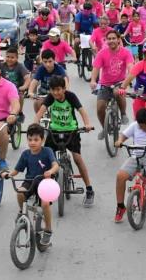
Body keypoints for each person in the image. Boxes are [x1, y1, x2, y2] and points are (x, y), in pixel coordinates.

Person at [34, 75, 96, 207]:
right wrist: (35, 124)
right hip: (54, 131)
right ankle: (40, 188)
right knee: (45, 159)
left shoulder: (71, 96)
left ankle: (89, 189)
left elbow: (82, 111)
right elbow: (40, 112)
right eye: (53, 90)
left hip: (71, 131)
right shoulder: (50, 97)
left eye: (58, 89)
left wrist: (87, 124)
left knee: (77, 159)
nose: (55, 93)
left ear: (63, 89)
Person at [2, 123, 57, 246]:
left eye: (36, 140)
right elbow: (16, 171)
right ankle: (22, 212)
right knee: (20, 192)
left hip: (45, 181)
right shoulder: (26, 154)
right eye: (30, 139)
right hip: (30, 181)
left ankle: (48, 230)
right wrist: (8, 174)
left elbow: (55, 165)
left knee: (45, 204)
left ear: (42, 140)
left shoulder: (47, 151)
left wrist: (51, 171)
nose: (32, 142)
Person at [90, 30, 134, 139]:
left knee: (117, 92)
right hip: (105, 84)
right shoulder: (102, 53)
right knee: (100, 108)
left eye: (113, 38)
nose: (111, 41)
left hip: (120, 83)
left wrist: (128, 80)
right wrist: (93, 80)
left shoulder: (126, 52)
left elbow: (130, 67)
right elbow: (96, 68)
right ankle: (105, 128)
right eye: (109, 39)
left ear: (119, 40)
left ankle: (123, 113)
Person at [1, 46, 30, 115]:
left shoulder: (20, 66)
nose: (9, 59)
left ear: (17, 58)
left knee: (20, 96)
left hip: (17, 88)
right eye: (8, 57)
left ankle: (20, 112)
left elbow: (27, 78)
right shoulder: (2, 66)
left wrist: (24, 86)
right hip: (4, 89)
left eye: (12, 57)